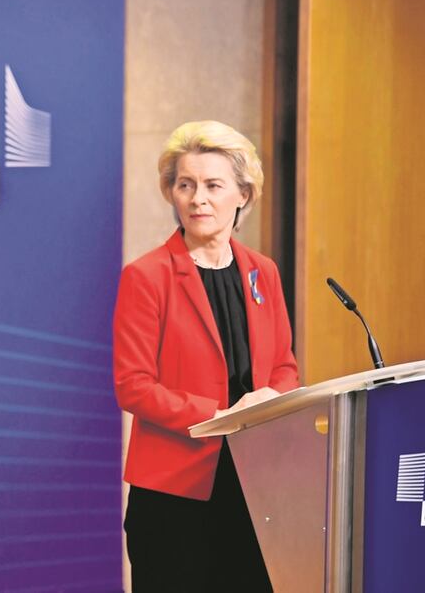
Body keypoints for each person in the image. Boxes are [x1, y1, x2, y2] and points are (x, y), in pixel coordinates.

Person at [113, 120, 300, 591]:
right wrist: (218, 417)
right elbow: (133, 385)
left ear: (243, 194)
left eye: (213, 185)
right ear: (172, 194)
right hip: (175, 494)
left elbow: (285, 367)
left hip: (257, 488)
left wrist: (269, 401)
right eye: (185, 185)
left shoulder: (264, 273)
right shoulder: (147, 276)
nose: (198, 198)